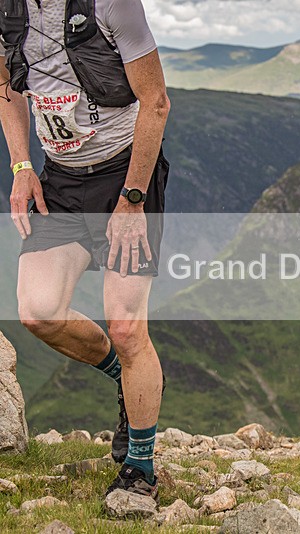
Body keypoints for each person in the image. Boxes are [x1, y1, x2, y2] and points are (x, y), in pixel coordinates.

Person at [0, 0, 169, 499]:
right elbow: (8, 89)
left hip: (125, 173)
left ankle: (141, 468)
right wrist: (21, 166)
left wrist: (133, 200)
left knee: (125, 325)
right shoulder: (8, 11)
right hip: (62, 181)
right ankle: (122, 377)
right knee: (38, 311)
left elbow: (155, 101)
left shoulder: (112, 5)